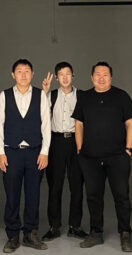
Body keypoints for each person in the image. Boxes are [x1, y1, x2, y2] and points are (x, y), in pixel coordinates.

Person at [72, 61, 132, 251]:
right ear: (92, 77)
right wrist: (79, 148)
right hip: (90, 157)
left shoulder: (121, 96)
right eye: (97, 75)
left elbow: (131, 123)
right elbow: (79, 124)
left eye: (105, 75)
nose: (101, 78)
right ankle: (96, 232)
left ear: (111, 77)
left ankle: (125, 233)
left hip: (117, 156)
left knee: (122, 195)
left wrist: (128, 148)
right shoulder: (84, 97)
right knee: (93, 195)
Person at [0, 59, 51, 253]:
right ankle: (12, 235)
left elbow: (46, 124)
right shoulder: (4, 95)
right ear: (13, 75)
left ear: (32, 74)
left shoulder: (40, 95)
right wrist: (0, 152)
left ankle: (30, 233)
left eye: (27, 71)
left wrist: (45, 151)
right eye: (19, 71)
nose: (23, 75)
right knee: (12, 195)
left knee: (33, 194)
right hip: (11, 152)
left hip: (35, 152)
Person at [40, 61, 88, 242]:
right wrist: (44, 92)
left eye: (68, 73)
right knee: (55, 185)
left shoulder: (82, 96)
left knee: (77, 185)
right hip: (56, 142)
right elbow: (41, 115)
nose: (65, 77)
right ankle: (54, 226)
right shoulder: (51, 95)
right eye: (61, 74)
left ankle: (75, 226)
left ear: (73, 75)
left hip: (77, 142)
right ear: (56, 77)